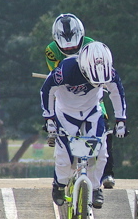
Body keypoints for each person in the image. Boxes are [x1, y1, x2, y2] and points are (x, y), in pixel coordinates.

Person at [41, 42, 127, 210]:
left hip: (91, 111)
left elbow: (117, 92)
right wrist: (48, 118)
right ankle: (59, 185)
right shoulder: (66, 69)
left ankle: (95, 188)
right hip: (66, 112)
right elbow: (46, 90)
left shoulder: (109, 72)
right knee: (64, 155)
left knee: (101, 154)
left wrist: (121, 120)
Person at [45, 13, 117, 189]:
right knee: (53, 109)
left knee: (104, 127)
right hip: (67, 89)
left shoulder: (92, 44)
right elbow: (56, 76)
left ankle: (107, 173)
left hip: (91, 88)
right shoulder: (51, 50)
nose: (71, 50)